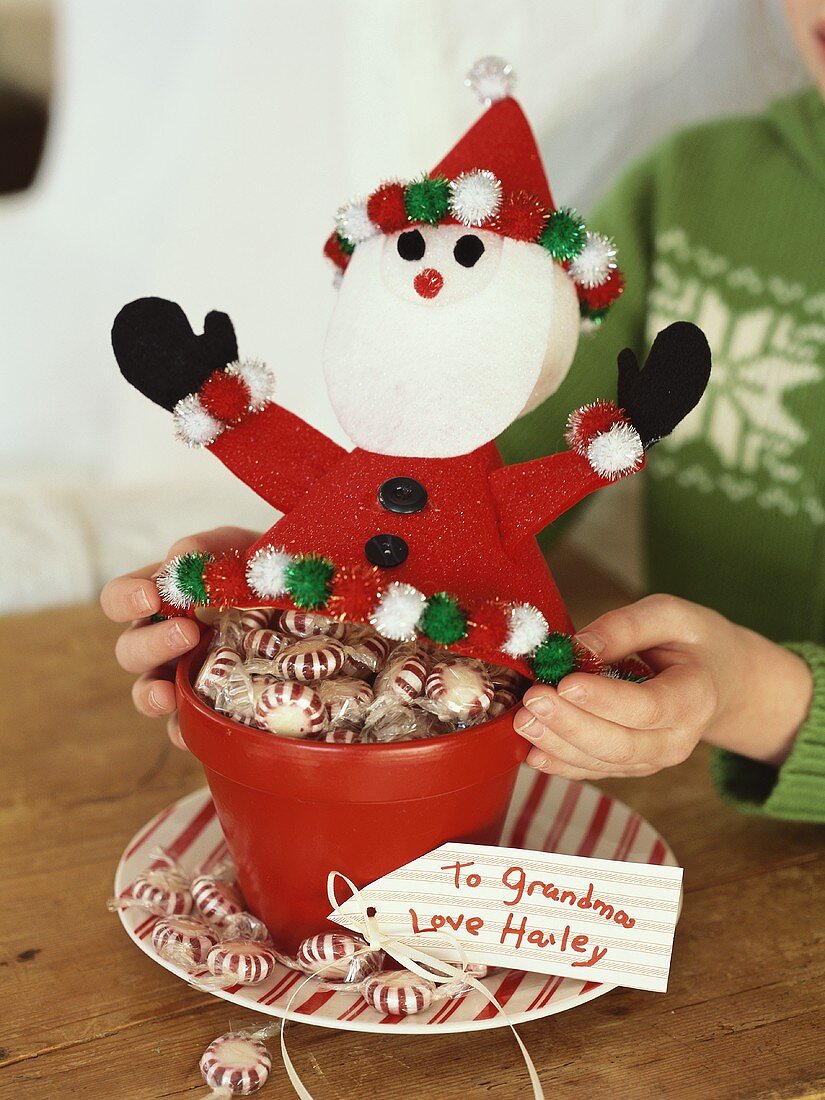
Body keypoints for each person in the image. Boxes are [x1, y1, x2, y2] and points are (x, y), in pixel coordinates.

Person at [101, 0, 825, 823]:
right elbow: (482, 484)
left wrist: (753, 697)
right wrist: (300, 561)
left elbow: (498, 510)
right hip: (599, 778)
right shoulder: (691, 184)